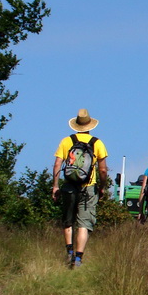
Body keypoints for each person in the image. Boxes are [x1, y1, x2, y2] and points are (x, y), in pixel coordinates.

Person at [51, 109, 109, 268]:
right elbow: (103, 170)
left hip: (69, 184)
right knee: (84, 222)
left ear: (76, 125)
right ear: (90, 125)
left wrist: (55, 186)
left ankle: (69, 252)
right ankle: (78, 258)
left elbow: (57, 164)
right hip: (88, 187)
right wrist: (102, 187)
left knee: (68, 219)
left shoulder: (66, 141)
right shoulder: (97, 143)